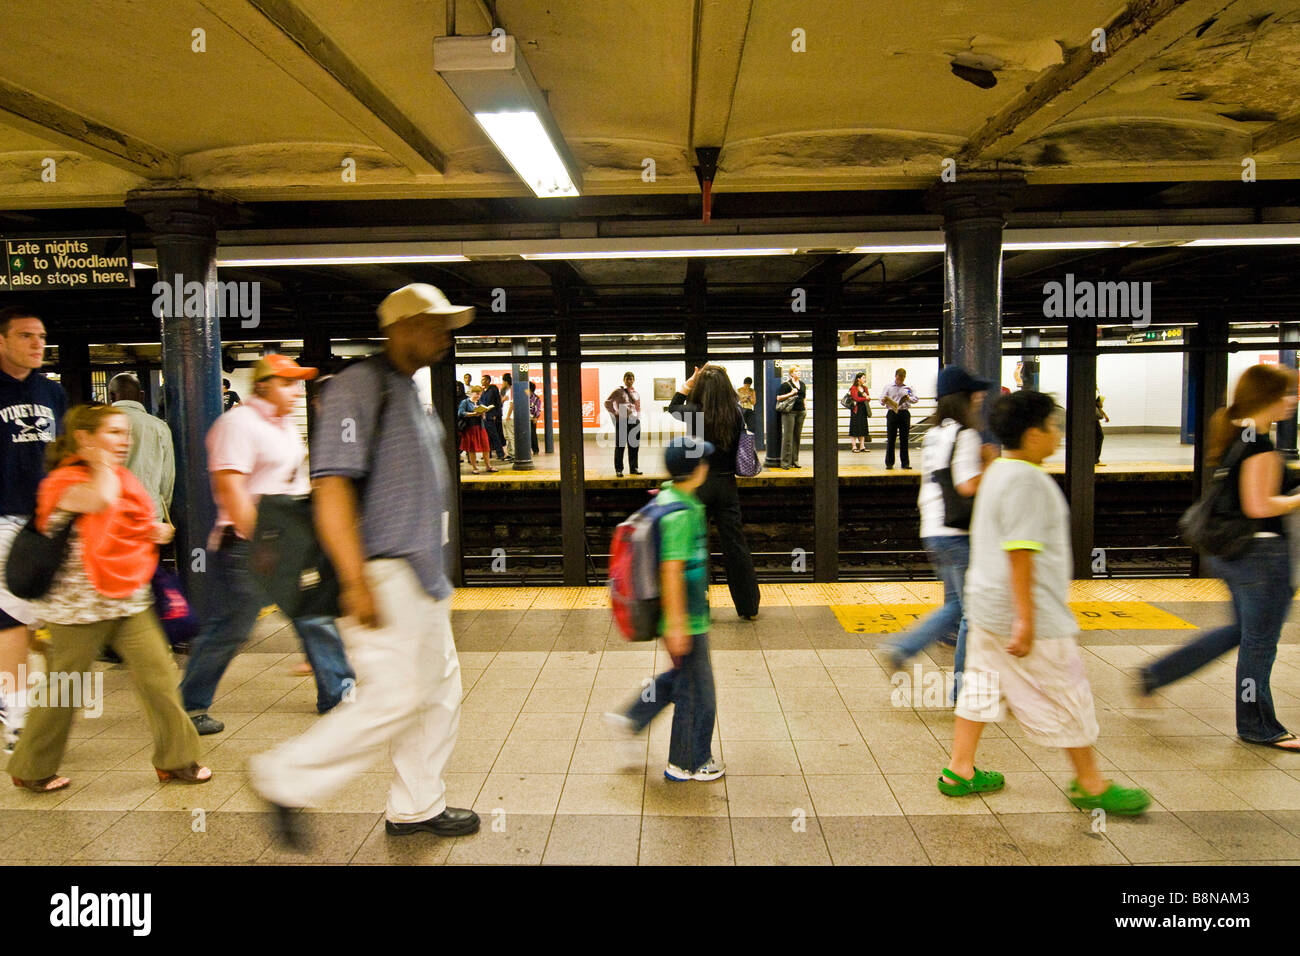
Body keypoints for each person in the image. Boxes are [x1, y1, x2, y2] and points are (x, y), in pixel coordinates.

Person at [250, 282, 480, 847]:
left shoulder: (407, 390)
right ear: (400, 328)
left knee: (437, 691)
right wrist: (355, 581)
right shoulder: (360, 386)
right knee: (393, 697)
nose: (445, 336)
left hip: (423, 578)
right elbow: (331, 486)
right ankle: (283, 777)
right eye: (435, 325)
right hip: (383, 572)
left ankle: (416, 805)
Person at [938, 390, 1151, 814]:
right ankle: (1090, 783)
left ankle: (958, 770)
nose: (1058, 434)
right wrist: (1027, 620)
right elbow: (1021, 551)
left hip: (986, 608)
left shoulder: (997, 470)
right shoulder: (1027, 481)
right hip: (1026, 614)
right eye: (1053, 426)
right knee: (1067, 691)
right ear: (1033, 434)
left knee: (981, 687)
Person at [8, 404, 209, 792]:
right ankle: (31, 767)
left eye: (126, 433)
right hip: (78, 607)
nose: (125, 441)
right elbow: (99, 501)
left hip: (127, 598)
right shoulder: (63, 482)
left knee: (160, 677)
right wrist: (97, 461)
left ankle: (176, 759)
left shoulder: (121, 478)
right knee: (63, 687)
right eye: (114, 433)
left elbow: (123, 521)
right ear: (84, 438)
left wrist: (152, 531)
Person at [179, 355, 355, 734]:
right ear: (263, 385)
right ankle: (190, 707)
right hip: (247, 544)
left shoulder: (285, 425)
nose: (296, 391)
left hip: (284, 539)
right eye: (287, 383)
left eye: (298, 383)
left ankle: (340, 696)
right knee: (231, 627)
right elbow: (231, 487)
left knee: (314, 615)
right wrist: (261, 544)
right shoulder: (238, 424)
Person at [1140, 364, 1300, 751]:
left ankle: (1157, 674)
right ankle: (1258, 725)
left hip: (1235, 554)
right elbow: (1259, 504)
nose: (1293, 400)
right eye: (1288, 393)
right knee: (1259, 643)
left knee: (1239, 633)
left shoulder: (1240, 434)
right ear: (1270, 397)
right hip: (1259, 555)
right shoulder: (1258, 442)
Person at [605, 436, 723, 782]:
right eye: (703, 462)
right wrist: (676, 625)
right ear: (696, 469)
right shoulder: (681, 513)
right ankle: (687, 763)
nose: (707, 466)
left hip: (680, 615)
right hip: (686, 617)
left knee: (684, 680)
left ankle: (632, 718)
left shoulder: (671, 497)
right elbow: (671, 570)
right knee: (700, 694)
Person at [882, 367, 990, 682]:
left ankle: (904, 647)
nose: (980, 398)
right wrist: (992, 465)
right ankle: (963, 687)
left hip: (932, 529)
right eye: (975, 393)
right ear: (963, 398)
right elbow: (966, 486)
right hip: (956, 531)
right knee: (972, 611)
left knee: (957, 605)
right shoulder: (965, 435)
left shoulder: (933, 434)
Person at [0, 305, 66, 751]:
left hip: (46, 519)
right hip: (3, 518)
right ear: (1, 341)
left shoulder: (52, 393)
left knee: (42, 616)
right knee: (13, 618)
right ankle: (16, 714)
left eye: (40, 336)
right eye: (25, 336)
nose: (37, 343)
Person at [669, 364, 761, 620]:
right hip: (726, 485)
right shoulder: (736, 413)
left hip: (697, 485)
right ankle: (748, 606)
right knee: (735, 545)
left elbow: (673, 406)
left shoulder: (693, 414)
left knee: (696, 546)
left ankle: (698, 606)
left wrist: (689, 383)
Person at [107, 373, 174, 518]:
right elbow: (167, 478)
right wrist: (163, 511)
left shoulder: (99, 424)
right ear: (142, 396)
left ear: (111, 396)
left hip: (109, 516)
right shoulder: (160, 427)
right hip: (148, 514)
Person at [605, 372, 642, 477]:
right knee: (620, 446)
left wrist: (638, 418)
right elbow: (607, 402)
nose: (629, 381)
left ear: (634, 380)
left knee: (634, 446)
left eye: (631, 379)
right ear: (624, 380)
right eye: (627, 379)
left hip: (634, 421)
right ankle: (619, 469)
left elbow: (638, 407)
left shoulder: (635, 393)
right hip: (622, 421)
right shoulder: (618, 391)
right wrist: (615, 413)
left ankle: (634, 468)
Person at [881, 367, 918, 470]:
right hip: (892, 413)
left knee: (904, 439)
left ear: (904, 377)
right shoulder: (888, 387)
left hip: (904, 413)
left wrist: (908, 398)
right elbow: (881, 400)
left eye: (902, 379)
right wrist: (884, 400)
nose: (900, 380)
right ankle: (889, 463)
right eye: (898, 378)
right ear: (895, 376)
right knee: (891, 439)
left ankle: (905, 463)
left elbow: (916, 399)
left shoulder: (908, 387)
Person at [459, 384, 494, 474]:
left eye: (480, 394)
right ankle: (474, 467)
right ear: (472, 393)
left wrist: (483, 413)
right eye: (477, 394)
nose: (478, 396)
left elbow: (483, 417)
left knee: (486, 447)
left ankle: (488, 466)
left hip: (480, 427)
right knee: (472, 448)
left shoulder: (479, 403)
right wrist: (473, 414)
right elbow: (461, 413)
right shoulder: (465, 402)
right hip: (470, 428)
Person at [776, 364, 807, 469]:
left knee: (797, 437)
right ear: (791, 373)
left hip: (801, 412)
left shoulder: (802, 384)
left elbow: (804, 398)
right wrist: (791, 393)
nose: (799, 373)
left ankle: (795, 460)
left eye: (799, 371)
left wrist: (805, 409)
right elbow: (779, 398)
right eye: (796, 371)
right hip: (789, 412)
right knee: (787, 438)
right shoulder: (786, 385)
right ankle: (785, 462)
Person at [480, 374, 505, 461]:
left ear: (488, 381)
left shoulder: (493, 389)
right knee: (486, 436)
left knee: (494, 435)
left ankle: (500, 453)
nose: (481, 381)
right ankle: (487, 453)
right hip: (484, 415)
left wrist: (496, 414)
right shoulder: (483, 391)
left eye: (483, 380)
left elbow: (498, 403)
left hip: (491, 415)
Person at [848, 372, 871, 452]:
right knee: (854, 427)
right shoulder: (853, 388)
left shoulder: (865, 388)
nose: (865, 379)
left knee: (863, 427)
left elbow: (869, 398)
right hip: (856, 410)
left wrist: (866, 398)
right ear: (858, 379)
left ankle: (862, 446)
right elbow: (856, 398)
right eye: (863, 378)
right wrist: (865, 398)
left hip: (863, 410)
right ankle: (854, 446)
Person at [501, 371, 516, 461]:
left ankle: (514, 454)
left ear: (506, 382)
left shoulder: (512, 390)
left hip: (509, 417)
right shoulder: (506, 391)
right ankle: (510, 453)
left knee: (511, 436)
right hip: (504, 416)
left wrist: (508, 416)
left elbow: (512, 404)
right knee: (507, 436)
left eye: (503, 382)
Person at [1095, 390, 1109, 465]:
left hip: (1095, 421)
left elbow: (1099, 406)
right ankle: (1095, 459)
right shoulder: (1094, 392)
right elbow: (1098, 406)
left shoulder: (1096, 392)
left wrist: (1105, 414)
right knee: (1099, 437)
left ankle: (1095, 459)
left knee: (1098, 437)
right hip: (1094, 422)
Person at [528, 379, 542, 455]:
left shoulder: (536, 398)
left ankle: (535, 449)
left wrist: (536, 417)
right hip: (524, 419)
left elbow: (538, 408)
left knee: (532, 434)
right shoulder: (524, 397)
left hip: (532, 418)